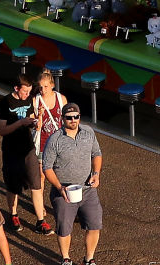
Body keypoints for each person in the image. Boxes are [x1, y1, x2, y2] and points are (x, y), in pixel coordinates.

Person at [40, 103, 103, 265]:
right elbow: (47, 168)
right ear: (62, 119)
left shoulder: (88, 132)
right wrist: (59, 187)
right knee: (64, 229)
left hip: (88, 189)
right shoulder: (55, 139)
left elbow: (96, 154)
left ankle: (89, 259)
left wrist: (96, 174)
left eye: (76, 117)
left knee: (94, 225)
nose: (73, 120)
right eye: (69, 117)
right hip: (64, 191)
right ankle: (66, 258)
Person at [0, 74, 48, 233]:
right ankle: (13, 214)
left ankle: (41, 221)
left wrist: (36, 121)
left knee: (36, 184)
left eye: (29, 92)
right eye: (25, 92)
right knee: (13, 186)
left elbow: (32, 120)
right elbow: (2, 130)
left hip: (28, 148)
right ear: (16, 88)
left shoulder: (29, 100)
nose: (27, 95)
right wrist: (20, 122)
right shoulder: (5, 102)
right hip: (11, 150)